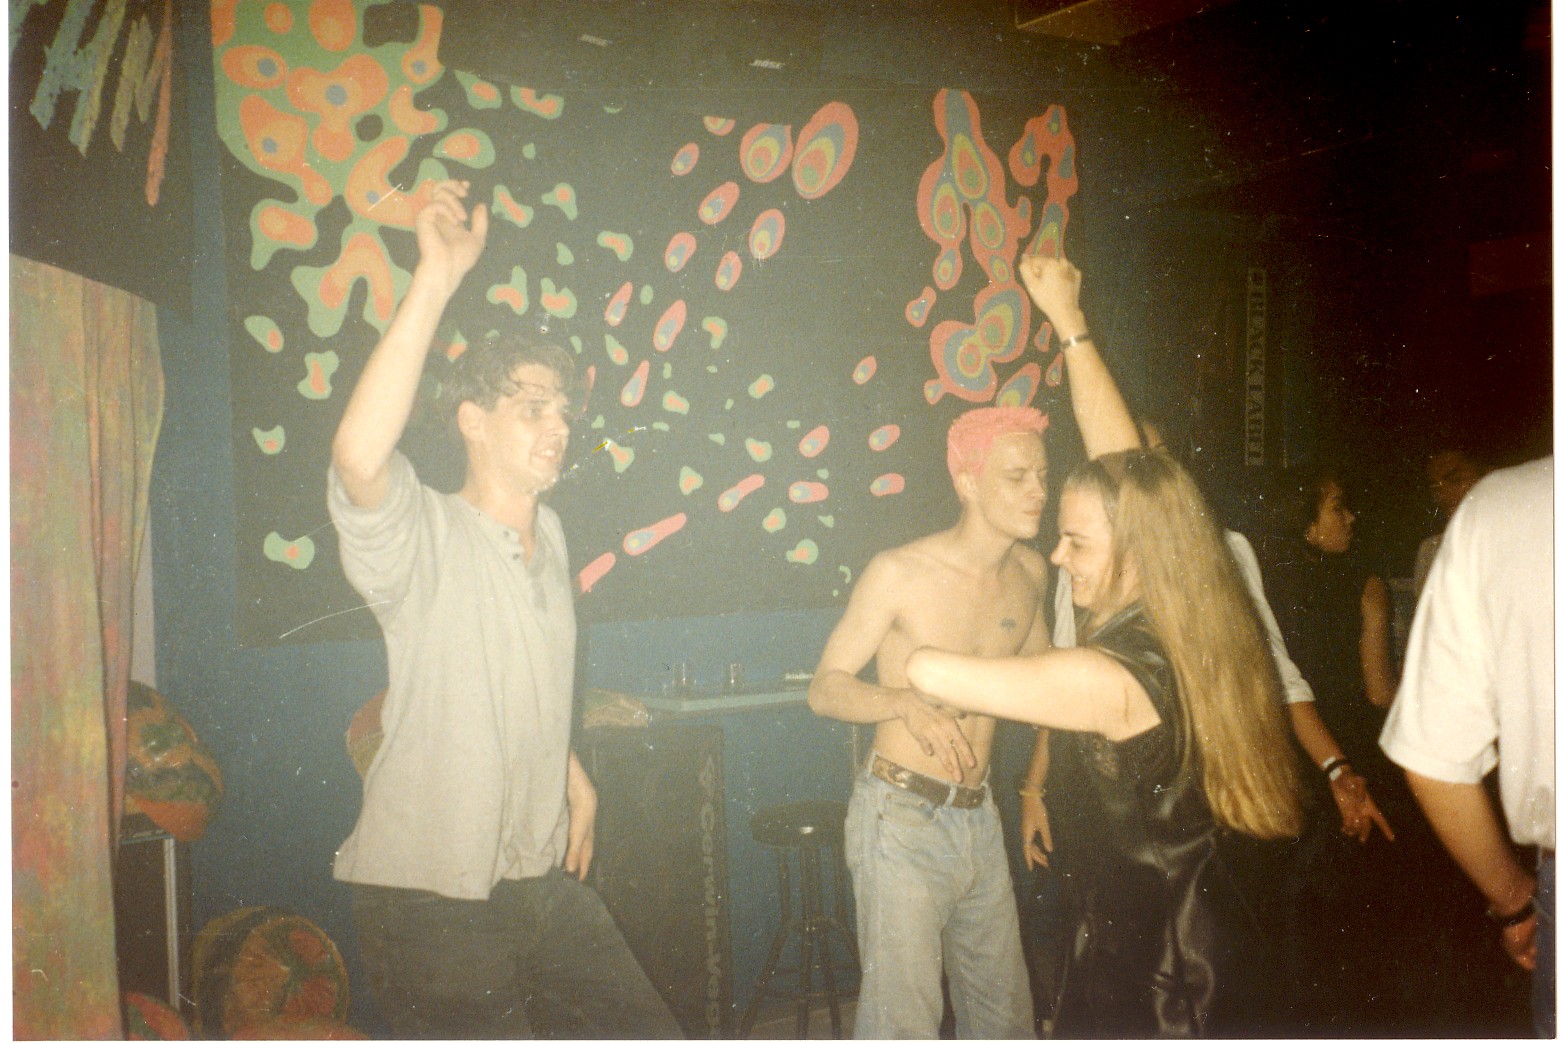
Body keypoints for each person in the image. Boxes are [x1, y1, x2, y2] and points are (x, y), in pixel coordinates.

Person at [327, 180, 680, 1038]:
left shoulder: (551, 535)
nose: (558, 425)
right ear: (473, 421)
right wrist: (436, 278)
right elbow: (359, 455)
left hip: (533, 882)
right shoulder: (423, 533)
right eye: (532, 407)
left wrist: (567, 767)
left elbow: (519, 676)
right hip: (428, 897)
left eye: (563, 409)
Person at [807, 254, 1138, 1038]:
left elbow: (1056, 685)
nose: (1038, 492)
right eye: (1017, 477)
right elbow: (824, 688)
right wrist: (900, 702)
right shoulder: (899, 572)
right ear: (966, 481)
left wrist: (1032, 791)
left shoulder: (1031, 574)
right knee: (905, 1023)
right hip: (899, 817)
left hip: (979, 816)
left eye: (1041, 476)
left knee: (1005, 1021)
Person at [905, 449, 1302, 1037]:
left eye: (1076, 542)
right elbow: (1142, 494)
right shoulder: (1189, 627)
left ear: (1139, 554)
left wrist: (951, 581)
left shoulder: (1112, 678)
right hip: (1190, 943)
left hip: (1163, 983)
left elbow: (925, 669)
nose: (1057, 556)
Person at [1380, 456, 1555, 1038]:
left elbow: (1434, 755)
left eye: (1453, 476)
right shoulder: (1436, 545)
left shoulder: (1497, 512)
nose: (1441, 491)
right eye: (1433, 482)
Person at [1412, 446, 1487, 597]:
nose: (1443, 495)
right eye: (1435, 487)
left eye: (1456, 480)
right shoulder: (1431, 550)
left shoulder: (1515, 537)